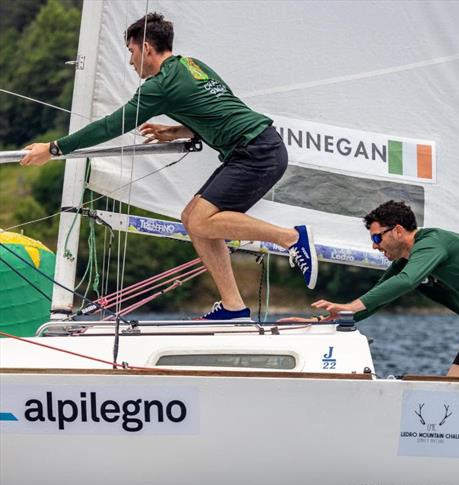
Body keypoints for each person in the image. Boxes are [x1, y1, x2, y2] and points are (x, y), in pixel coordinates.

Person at [20, 13, 318, 320]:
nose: (130, 61)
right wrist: (178, 131)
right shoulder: (192, 65)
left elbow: (112, 125)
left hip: (257, 150)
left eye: (131, 52)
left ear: (146, 48)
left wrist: (54, 148)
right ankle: (233, 307)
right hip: (258, 146)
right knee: (192, 218)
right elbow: (219, 108)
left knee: (201, 220)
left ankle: (291, 238)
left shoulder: (157, 87)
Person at [290, 200, 459, 379]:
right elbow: (378, 298)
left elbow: (406, 281)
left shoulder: (432, 243)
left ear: (398, 231)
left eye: (377, 238)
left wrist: (351, 306)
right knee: (456, 388)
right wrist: (321, 323)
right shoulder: (406, 260)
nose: (375, 247)